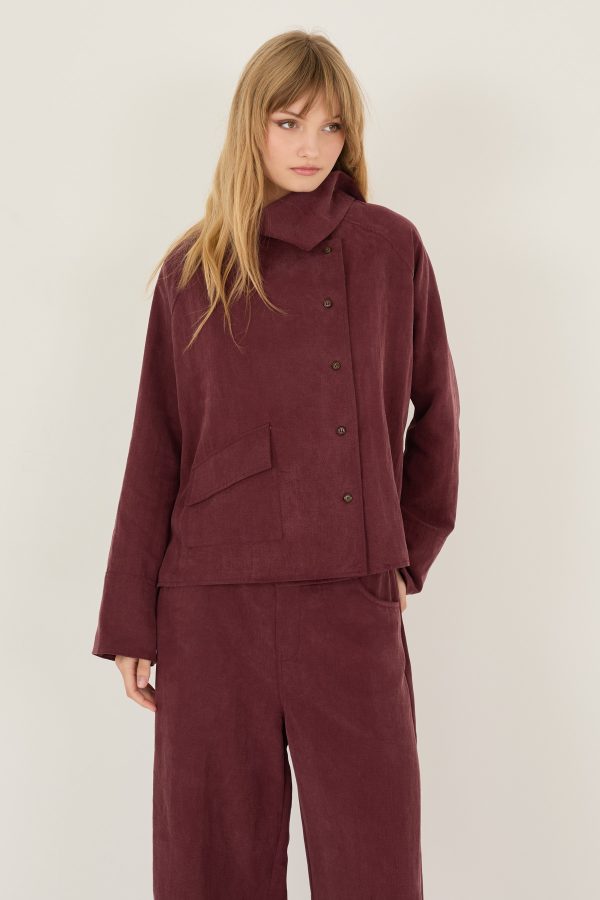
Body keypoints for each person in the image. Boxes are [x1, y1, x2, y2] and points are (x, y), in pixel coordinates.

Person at [91, 28, 460, 900]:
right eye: (289, 122)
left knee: (373, 864)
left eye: (330, 127)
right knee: (210, 865)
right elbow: (156, 445)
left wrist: (405, 552)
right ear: (251, 126)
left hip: (349, 599)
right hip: (211, 608)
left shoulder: (389, 248)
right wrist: (130, 621)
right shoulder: (194, 268)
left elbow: (437, 411)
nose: (309, 146)